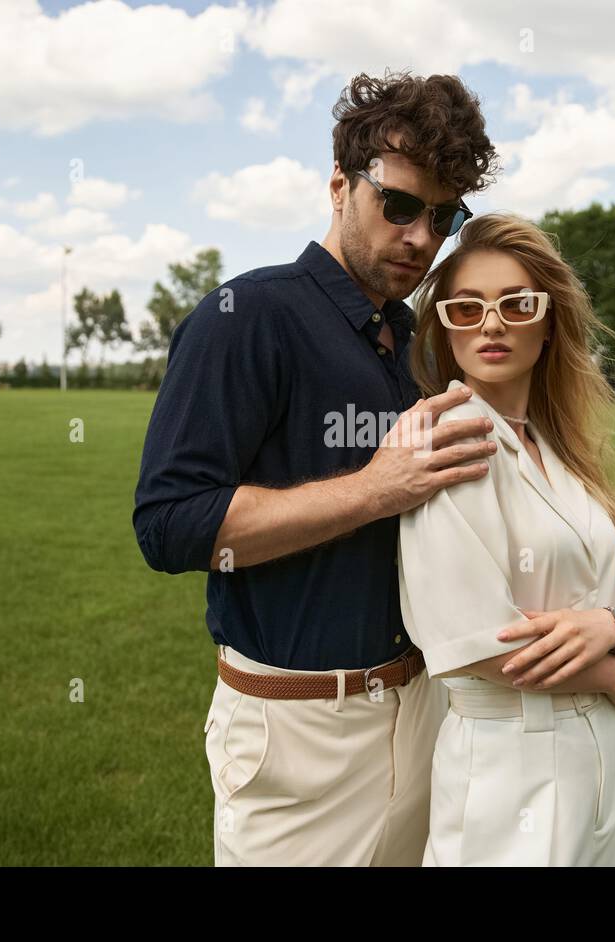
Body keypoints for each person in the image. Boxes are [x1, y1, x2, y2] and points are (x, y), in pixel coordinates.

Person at [132, 70, 502, 865]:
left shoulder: (416, 341)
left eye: (443, 216)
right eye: (398, 205)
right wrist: (374, 489)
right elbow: (169, 525)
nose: (419, 237)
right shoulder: (248, 317)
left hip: (424, 710)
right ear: (340, 184)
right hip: (297, 728)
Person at [397, 212, 615, 866]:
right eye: (466, 309)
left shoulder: (560, 449)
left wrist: (610, 624)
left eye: (517, 304)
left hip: (613, 762)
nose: (491, 324)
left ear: (548, 321)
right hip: (514, 774)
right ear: (442, 326)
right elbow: (482, 643)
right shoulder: (448, 439)